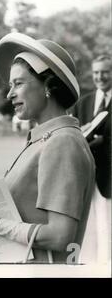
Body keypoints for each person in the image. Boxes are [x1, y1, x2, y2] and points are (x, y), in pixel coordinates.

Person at [0, 33, 95, 263]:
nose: (9, 94)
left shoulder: (62, 141)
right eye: (10, 85)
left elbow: (59, 235)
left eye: (18, 83)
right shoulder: (48, 138)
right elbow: (29, 212)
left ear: (48, 86)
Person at [70, 55, 111, 263]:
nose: (100, 77)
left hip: (109, 180)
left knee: (107, 231)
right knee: (86, 232)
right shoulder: (83, 103)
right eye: (96, 72)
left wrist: (103, 142)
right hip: (84, 177)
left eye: (105, 72)